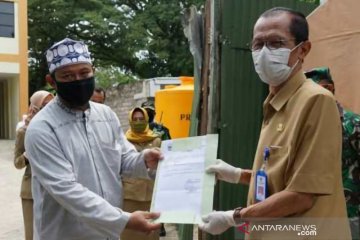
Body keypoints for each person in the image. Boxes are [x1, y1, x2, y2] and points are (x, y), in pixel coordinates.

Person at [199, 7, 351, 239]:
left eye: (276, 43)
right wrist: (238, 174)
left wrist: (234, 217)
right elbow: (283, 177)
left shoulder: (315, 101)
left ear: (303, 49)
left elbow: (302, 194)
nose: (264, 52)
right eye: (258, 44)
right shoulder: (275, 104)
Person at [24, 38, 162, 240]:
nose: (78, 80)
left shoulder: (106, 115)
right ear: (52, 81)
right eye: (68, 76)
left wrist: (144, 160)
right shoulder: (42, 128)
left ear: (93, 71)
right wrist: (124, 220)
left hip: (106, 235)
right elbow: (66, 190)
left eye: (84, 73)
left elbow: (123, 160)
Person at [305, 67, 360, 240]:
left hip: (350, 216)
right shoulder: (307, 129)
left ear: (328, 89)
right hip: (316, 216)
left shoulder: (353, 125)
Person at [14, 90, 54, 240]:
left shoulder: (55, 129)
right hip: (30, 191)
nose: (49, 109)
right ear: (33, 108)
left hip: (53, 188)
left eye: (52, 105)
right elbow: (17, 163)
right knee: (31, 234)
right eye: (44, 106)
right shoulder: (23, 132)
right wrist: (27, 155)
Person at [121, 107, 161, 240]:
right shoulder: (124, 141)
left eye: (141, 119)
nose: (138, 121)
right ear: (130, 121)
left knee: (150, 232)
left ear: (147, 120)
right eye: (135, 119)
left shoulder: (156, 140)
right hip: (130, 195)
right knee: (130, 233)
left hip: (152, 195)